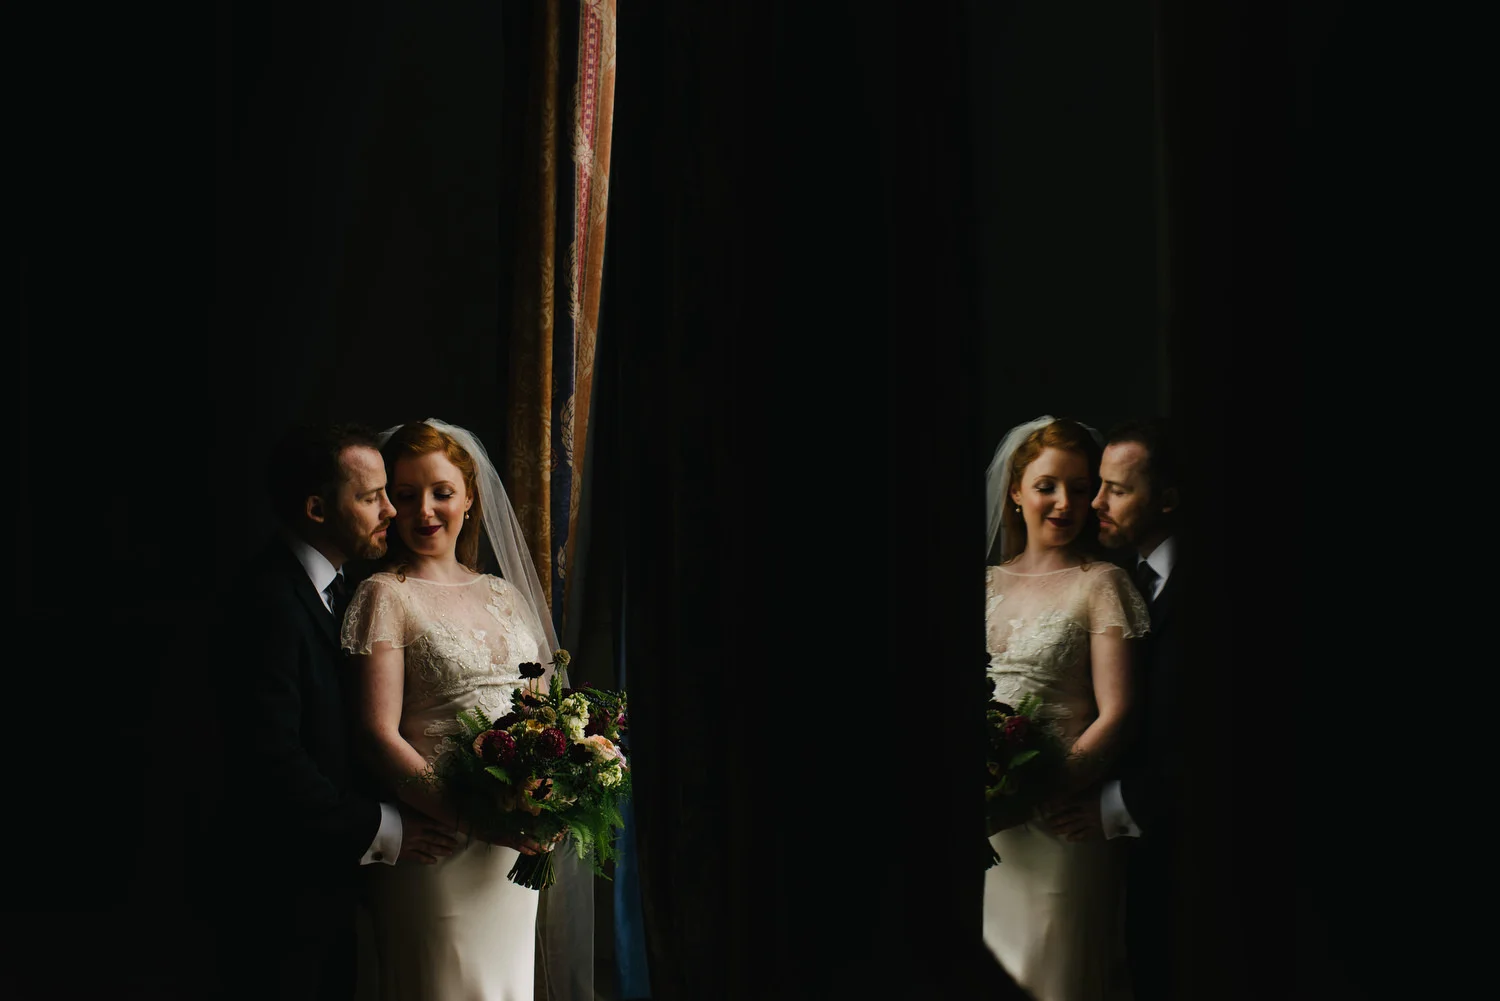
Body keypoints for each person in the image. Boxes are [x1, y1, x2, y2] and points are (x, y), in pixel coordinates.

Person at [341, 418, 592, 1001]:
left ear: (470, 497)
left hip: (513, 847)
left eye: (441, 492)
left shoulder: (502, 594)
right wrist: (474, 820)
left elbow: (546, 711)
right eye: (404, 497)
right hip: (440, 844)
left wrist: (550, 794)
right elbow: (377, 735)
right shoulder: (386, 595)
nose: (424, 510)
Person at [223, 423, 460, 1001]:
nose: (391, 511)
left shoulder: (349, 587)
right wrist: (384, 827)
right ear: (316, 509)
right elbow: (271, 761)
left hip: (340, 893)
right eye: (370, 497)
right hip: (281, 900)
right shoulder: (268, 602)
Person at [982, 415, 1151, 1001]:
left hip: (1062, 822)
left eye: (1081, 489)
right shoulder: (984, 585)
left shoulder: (1100, 582)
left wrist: (1045, 788)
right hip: (987, 828)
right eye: (1048, 485)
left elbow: (1119, 712)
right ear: (1015, 489)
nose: (1065, 503)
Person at [1046, 418, 1183, 1001]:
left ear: (1169, 500)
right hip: (1129, 865)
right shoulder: (1127, 579)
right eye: (1097, 486)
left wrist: (1122, 802)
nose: (1094, 503)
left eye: (1117, 491)